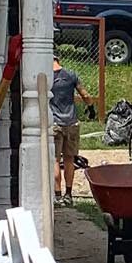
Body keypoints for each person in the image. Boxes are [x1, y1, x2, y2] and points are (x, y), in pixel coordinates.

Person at [49, 55, 96, 206]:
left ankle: (57, 195)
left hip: (55, 123)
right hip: (72, 122)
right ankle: (68, 194)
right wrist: (90, 108)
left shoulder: (47, 77)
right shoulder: (71, 75)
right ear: (58, 59)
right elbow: (85, 94)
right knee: (69, 159)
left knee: (55, 160)